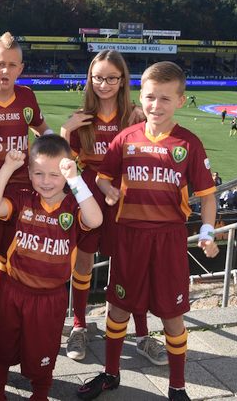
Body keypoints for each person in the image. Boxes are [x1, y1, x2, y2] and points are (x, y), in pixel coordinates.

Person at [77, 61, 219, 401]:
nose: (156, 106)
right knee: (119, 308)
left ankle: (177, 385)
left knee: (172, 315)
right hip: (129, 237)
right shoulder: (126, 138)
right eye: (151, 97)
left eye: (165, 99)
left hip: (169, 240)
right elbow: (102, 175)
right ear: (141, 96)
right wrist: (108, 189)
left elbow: (207, 196)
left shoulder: (189, 143)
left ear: (181, 101)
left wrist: (208, 231)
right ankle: (111, 374)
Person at [59, 50, 165, 365]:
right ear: (90, 80)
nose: (104, 84)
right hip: (88, 197)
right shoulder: (81, 119)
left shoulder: (135, 116)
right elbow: (64, 165)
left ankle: (143, 334)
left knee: (131, 268)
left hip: (124, 198)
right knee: (83, 264)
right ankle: (79, 325)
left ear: (122, 81)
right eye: (98, 77)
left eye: (111, 78)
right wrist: (66, 130)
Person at [0, 136, 103, 400]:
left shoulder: (73, 205)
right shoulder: (22, 198)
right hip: (13, 292)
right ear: (28, 173)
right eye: (38, 173)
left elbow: (95, 219)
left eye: (54, 174)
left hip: (51, 297)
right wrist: (7, 167)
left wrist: (76, 180)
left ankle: (39, 394)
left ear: (66, 173)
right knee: (1, 349)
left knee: (43, 353)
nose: (46, 181)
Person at [0, 32, 51, 309]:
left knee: (11, 257)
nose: (5, 70)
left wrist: (55, 147)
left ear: (21, 69)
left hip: (19, 191)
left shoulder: (27, 97)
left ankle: (3, 313)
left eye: (12, 65)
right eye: (0, 63)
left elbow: (42, 130)